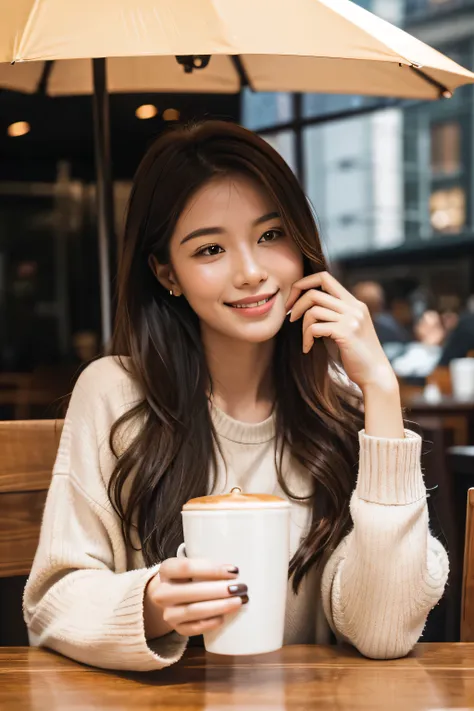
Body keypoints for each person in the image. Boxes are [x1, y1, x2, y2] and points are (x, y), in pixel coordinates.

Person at [23, 121, 448, 672]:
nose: (251, 272)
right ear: (165, 272)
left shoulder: (343, 410)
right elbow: (51, 601)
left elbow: (383, 631)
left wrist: (381, 393)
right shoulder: (115, 393)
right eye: (210, 249)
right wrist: (150, 605)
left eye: (271, 236)